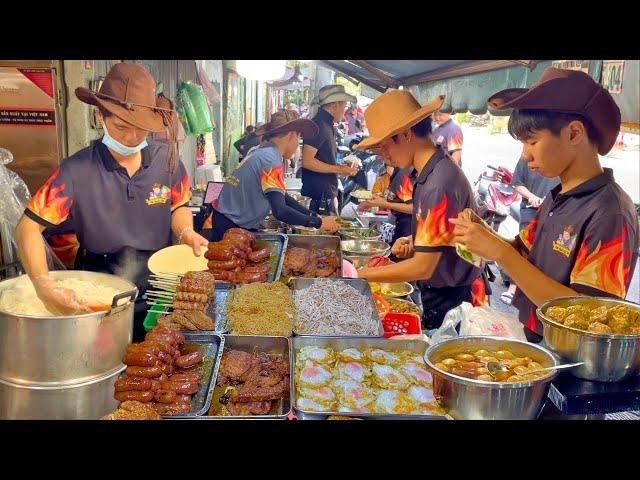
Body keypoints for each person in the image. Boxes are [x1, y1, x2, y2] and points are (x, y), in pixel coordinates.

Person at [14, 63, 208, 337]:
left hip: (161, 284)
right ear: (100, 116)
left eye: (140, 129)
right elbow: (27, 228)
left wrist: (186, 231)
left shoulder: (168, 161)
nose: (130, 138)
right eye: (120, 127)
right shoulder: (76, 171)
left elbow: (179, 206)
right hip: (99, 286)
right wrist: (44, 285)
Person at [450, 67, 639, 343]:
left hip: (569, 361)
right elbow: (523, 251)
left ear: (574, 133)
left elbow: (589, 317)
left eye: (532, 141)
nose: (525, 156)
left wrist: (501, 253)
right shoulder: (558, 194)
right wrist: (482, 233)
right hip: (535, 337)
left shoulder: (610, 212)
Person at [355, 90, 488, 329]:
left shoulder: (438, 183)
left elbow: (423, 267)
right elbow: (443, 234)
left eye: (385, 146)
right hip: (442, 288)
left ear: (405, 135)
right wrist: (415, 240)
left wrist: (359, 275)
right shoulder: (431, 171)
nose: (385, 156)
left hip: (450, 295)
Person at [209, 110, 340, 241]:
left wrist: (314, 216)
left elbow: (283, 197)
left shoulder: (261, 150)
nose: (298, 145)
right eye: (299, 137)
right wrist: (318, 223)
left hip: (224, 220)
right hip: (230, 227)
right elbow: (280, 211)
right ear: (292, 134)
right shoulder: (271, 159)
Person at [501, 158, 560, 305]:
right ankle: (513, 287)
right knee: (523, 249)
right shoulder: (525, 159)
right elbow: (517, 183)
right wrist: (531, 197)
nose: (528, 151)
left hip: (555, 211)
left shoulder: (560, 161)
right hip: (531, 209)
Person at [302, 85, 359, 215]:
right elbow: (307, 161)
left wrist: (340, 167)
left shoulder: (325, 124)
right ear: (335, 105)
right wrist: (339, 169)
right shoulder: (319, 125)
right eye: (344, 106)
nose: (344, 112)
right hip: (320, 199)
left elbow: (320, 158)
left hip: (323, 196)